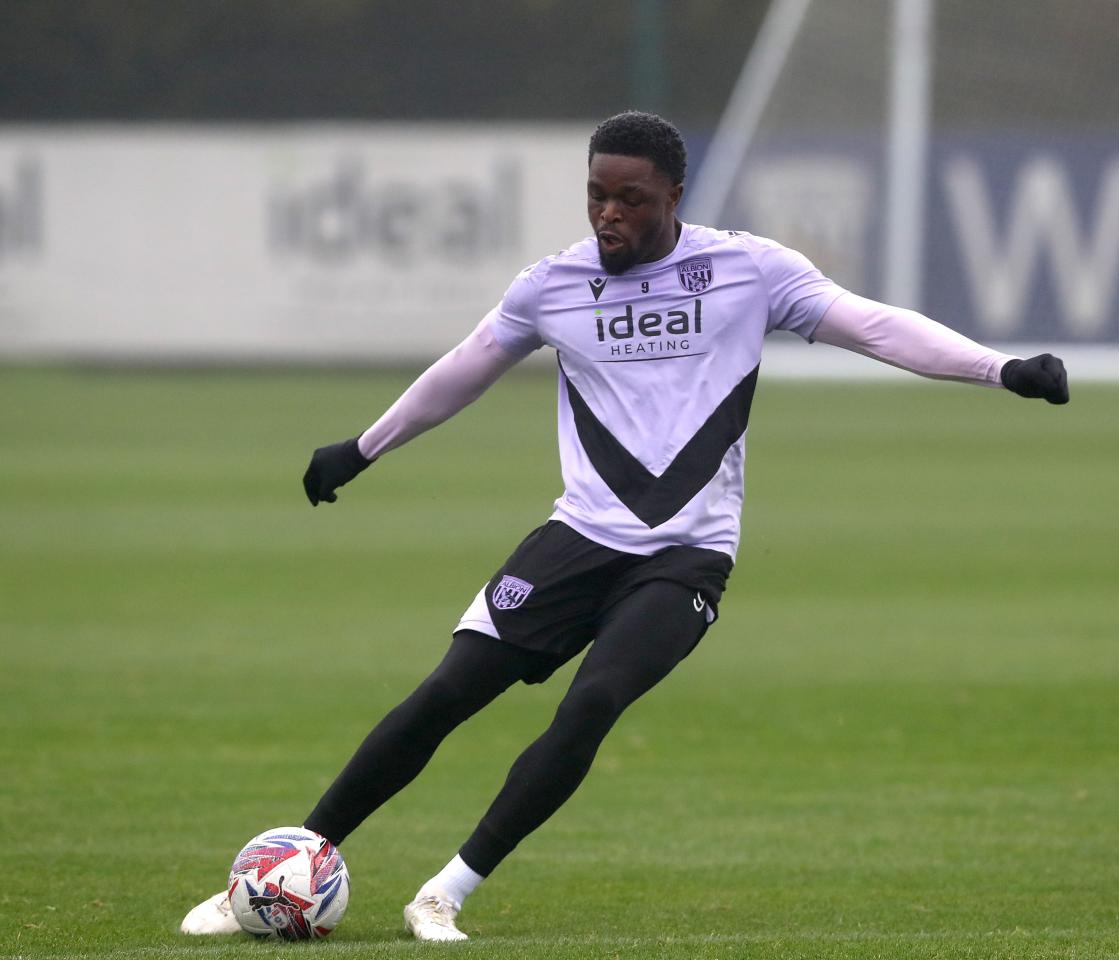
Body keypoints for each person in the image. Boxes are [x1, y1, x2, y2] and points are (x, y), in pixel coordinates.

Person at [181, 111, 1068, 941]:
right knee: (444, 695)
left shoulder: (748, 270)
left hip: (686, 558)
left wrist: (1001, 370)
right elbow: (466, 367)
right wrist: (364, 448)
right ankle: (282, 870)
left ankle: (444, 892)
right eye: (598, 194)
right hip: (577, 540)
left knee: (595, 701)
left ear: (674, 197)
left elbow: (875, 327)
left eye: (631, 198)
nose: (610, 213)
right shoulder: (552, 285)